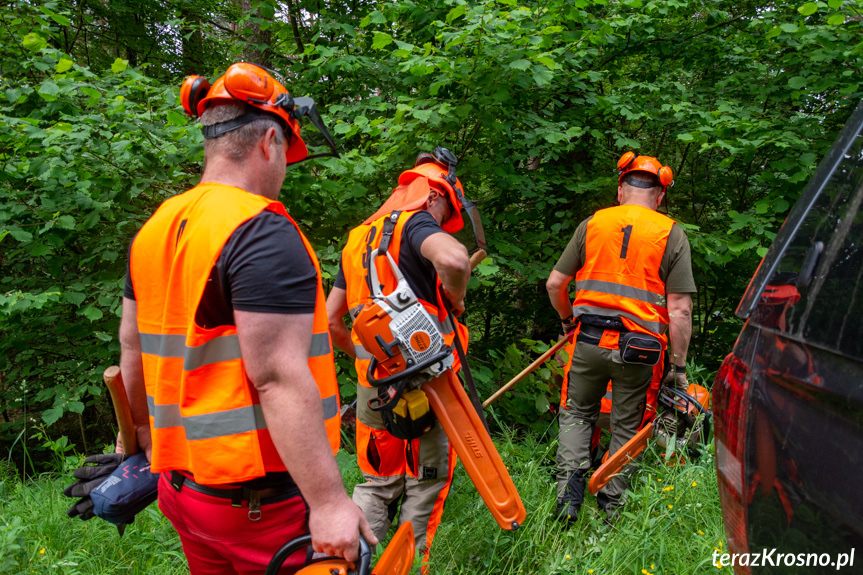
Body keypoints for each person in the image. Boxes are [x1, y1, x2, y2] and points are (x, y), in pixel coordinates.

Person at [119, 62, 375, 574]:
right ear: (269, 144)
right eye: (287, 153)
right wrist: (327, 502)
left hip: (184, 492)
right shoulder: (261, 231)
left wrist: (143, 443)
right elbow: (277, 377)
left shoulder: (157, 227)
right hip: (260, 504)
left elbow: (131, 348)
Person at [326, 150, 471, 567]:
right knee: (425, 484)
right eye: (445, 214)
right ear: (433, 198)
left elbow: (333, 321)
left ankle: (349, 566)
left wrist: (371, 360)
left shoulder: (359, 239)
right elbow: (455, 258)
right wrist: (454, 298)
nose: (442, 224)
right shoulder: (418, 219)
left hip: (374, 385)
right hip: (431, 385)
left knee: (377, 482)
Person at [545, 152, 696, 523]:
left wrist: (567, 322)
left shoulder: (593, 224)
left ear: (620, 189)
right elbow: (680, 310)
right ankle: (612, 508)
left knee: (577, 414)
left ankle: (568, 498)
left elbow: (555, 284)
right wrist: (678, 367)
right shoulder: (671, 233)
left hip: (589, 341)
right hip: (641, 351)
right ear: (659, 196)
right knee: (628, 426)